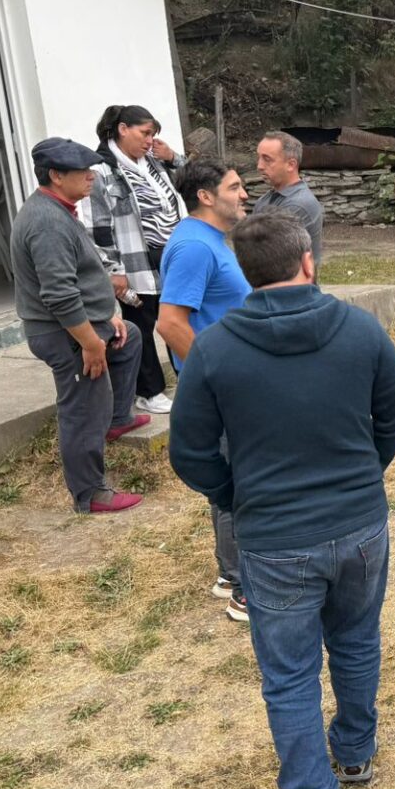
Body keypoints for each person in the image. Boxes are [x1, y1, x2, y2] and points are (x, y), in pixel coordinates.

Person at [169, 209, 395, 789]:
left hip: (274, 538)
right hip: (358, 527)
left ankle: (312, 785)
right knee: (356, 641)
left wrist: (235, 496)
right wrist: (363, 474)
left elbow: (190, 452)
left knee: (289, 673)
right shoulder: (360, 329)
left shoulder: (214, 349)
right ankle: (354, 753)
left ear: (246, 273)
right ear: (308, 261)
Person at [12, 138, 149, 515]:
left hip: (82, 323)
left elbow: (82, 275)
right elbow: (58, 295)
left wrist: (107, 317)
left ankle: (116, 419)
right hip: (63, 333)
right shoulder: (47, 223)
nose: (92, 176)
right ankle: (90, 494)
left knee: (130, 338)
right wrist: (90, 343)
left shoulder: (58, 209)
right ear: (56, 176)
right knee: (83, 409)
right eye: (82, 171)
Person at [156, 159, 254, 622]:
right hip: (221, 385)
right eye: (235, 187)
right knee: (238, 479)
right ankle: (241, 585)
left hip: (229, 379)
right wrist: (212, 377)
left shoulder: (209, 239)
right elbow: (170, 323)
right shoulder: (195, 246)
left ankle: (229, 574)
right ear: (206, 196)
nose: (244, 194)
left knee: (233, 473)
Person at [84, 104, 187, 415]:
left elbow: (194, 180)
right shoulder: (102, 170)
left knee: (176, 317)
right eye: (144, 133)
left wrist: (173, 157)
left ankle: (188, 377)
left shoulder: (155, 160)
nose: (149, 140)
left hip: (171, 255)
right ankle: (149, 390)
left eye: (152, 134)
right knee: (141, 323)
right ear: (122, 129)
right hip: (134, 261)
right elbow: (98, 225)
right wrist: (113, 269)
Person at [256, 131, 325, 268]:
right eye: (259, 158)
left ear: (291, 165)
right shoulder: (264, 200)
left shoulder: (298, 205)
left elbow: (267, 259)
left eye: (267, 159)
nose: (259, 166)